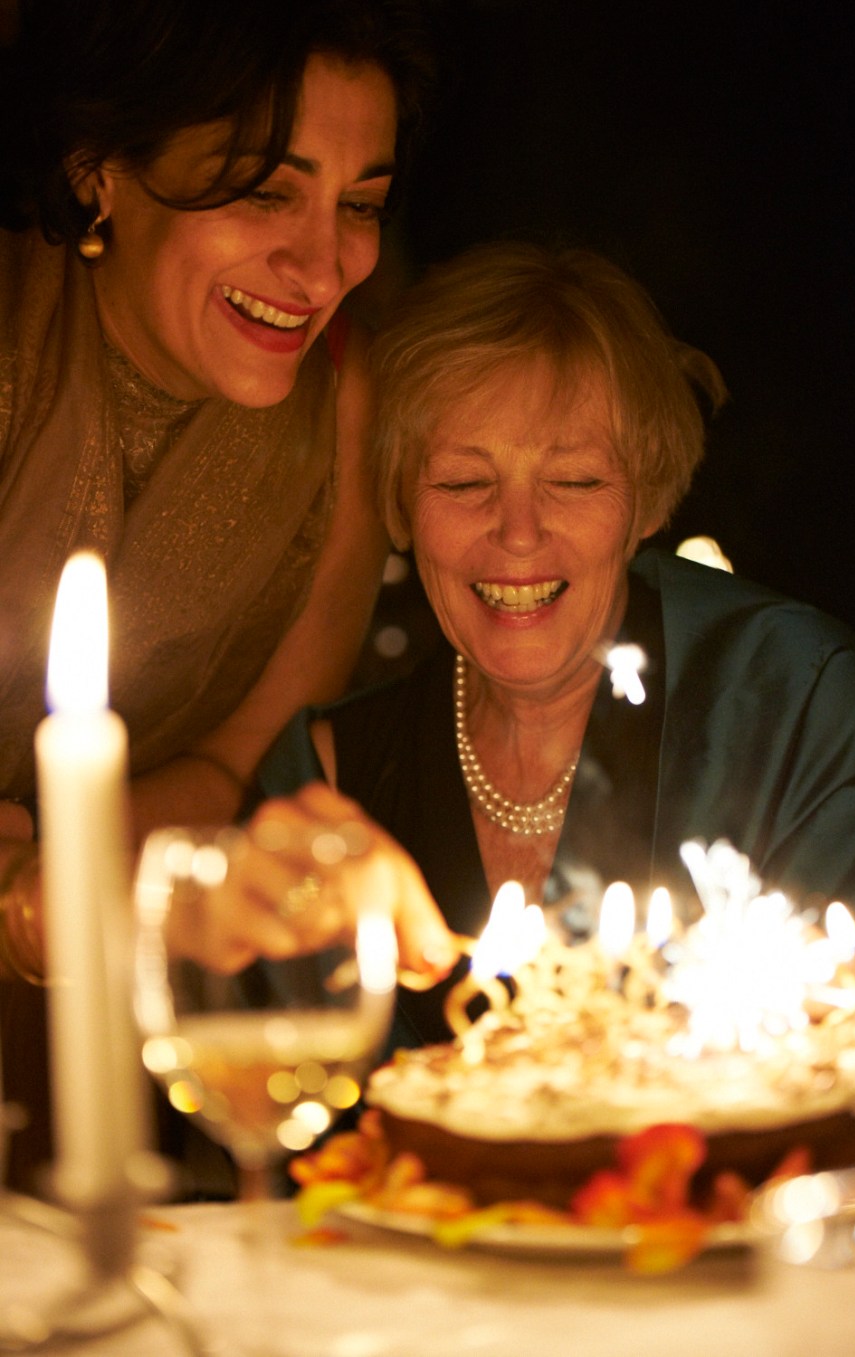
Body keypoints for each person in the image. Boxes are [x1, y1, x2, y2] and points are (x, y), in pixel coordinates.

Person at [0, 0, 458, 1188]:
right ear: (99, 170)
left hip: (72, 1079)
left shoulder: (343, 412)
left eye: (359, 205)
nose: (323, 267)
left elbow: (227, 769)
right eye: (266, 190)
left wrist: (241, 878)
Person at [256, 241, 855, 1045]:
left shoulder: (792, 695)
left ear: (646, 503)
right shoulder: (331, 779)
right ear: (399, 506)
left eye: (575, 480)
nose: (518, 534)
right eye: (464, 482)